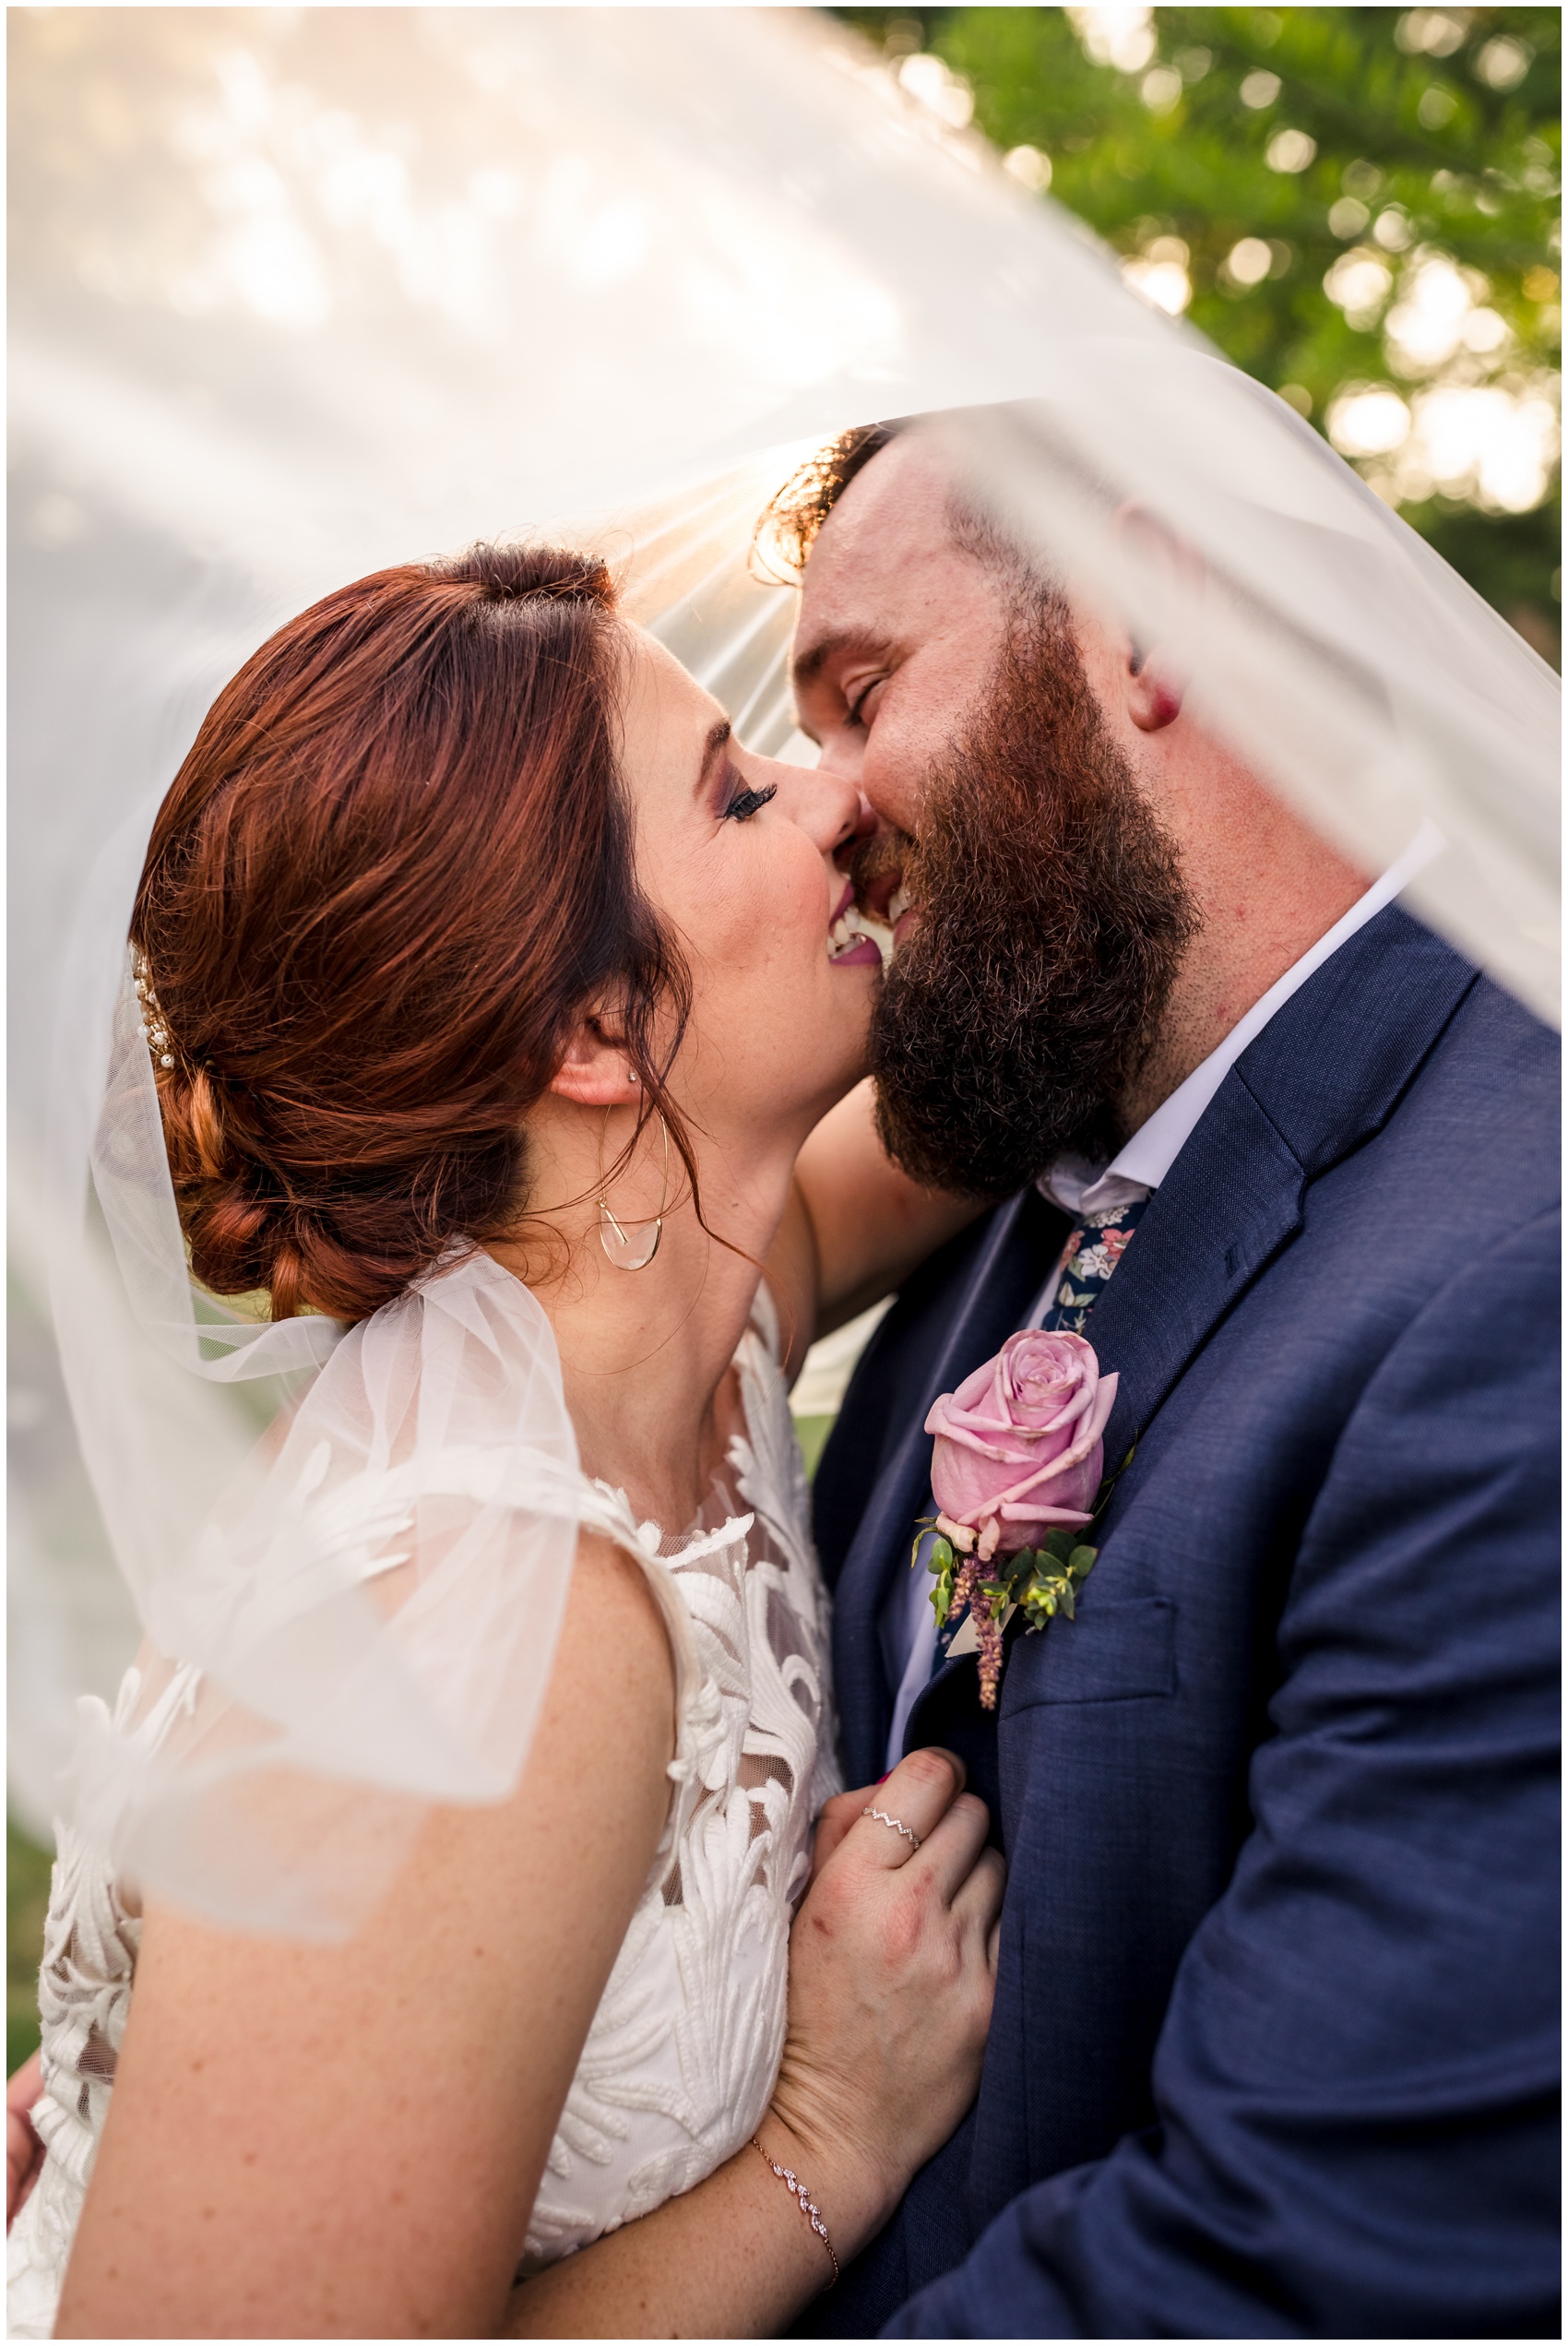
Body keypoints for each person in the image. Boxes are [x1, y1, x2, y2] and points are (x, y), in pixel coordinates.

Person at [6, 542, 1004, 2338]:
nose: (834, 791)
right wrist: (827, 2140)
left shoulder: (686, 1318)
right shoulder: (491, 1625)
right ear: (593, 1028)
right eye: (739, 789)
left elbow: (1015, 1078)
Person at [772, 423, 1561, 2338]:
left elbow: (1306, 2263)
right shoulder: (1010, 1171)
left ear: (1149, 623)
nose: (816, 807)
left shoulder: (1516, 1280)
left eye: (860, 693)